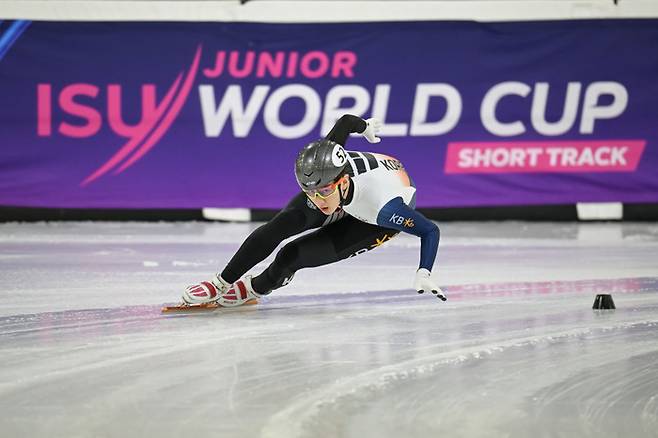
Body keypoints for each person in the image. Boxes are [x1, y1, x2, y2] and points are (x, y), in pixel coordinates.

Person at [182, 114, 446, 306]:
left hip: (372, 218)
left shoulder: (386, 209)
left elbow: (429, 230)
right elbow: (345, 122)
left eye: (323, 192)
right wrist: (365, 126)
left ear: (341, 182)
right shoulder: (326, 162)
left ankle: (256, 287)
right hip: (348, 192)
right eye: (310, 191)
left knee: (291, 255)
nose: (317, 199)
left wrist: (424, 271)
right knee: (280, 226)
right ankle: (221, 283)